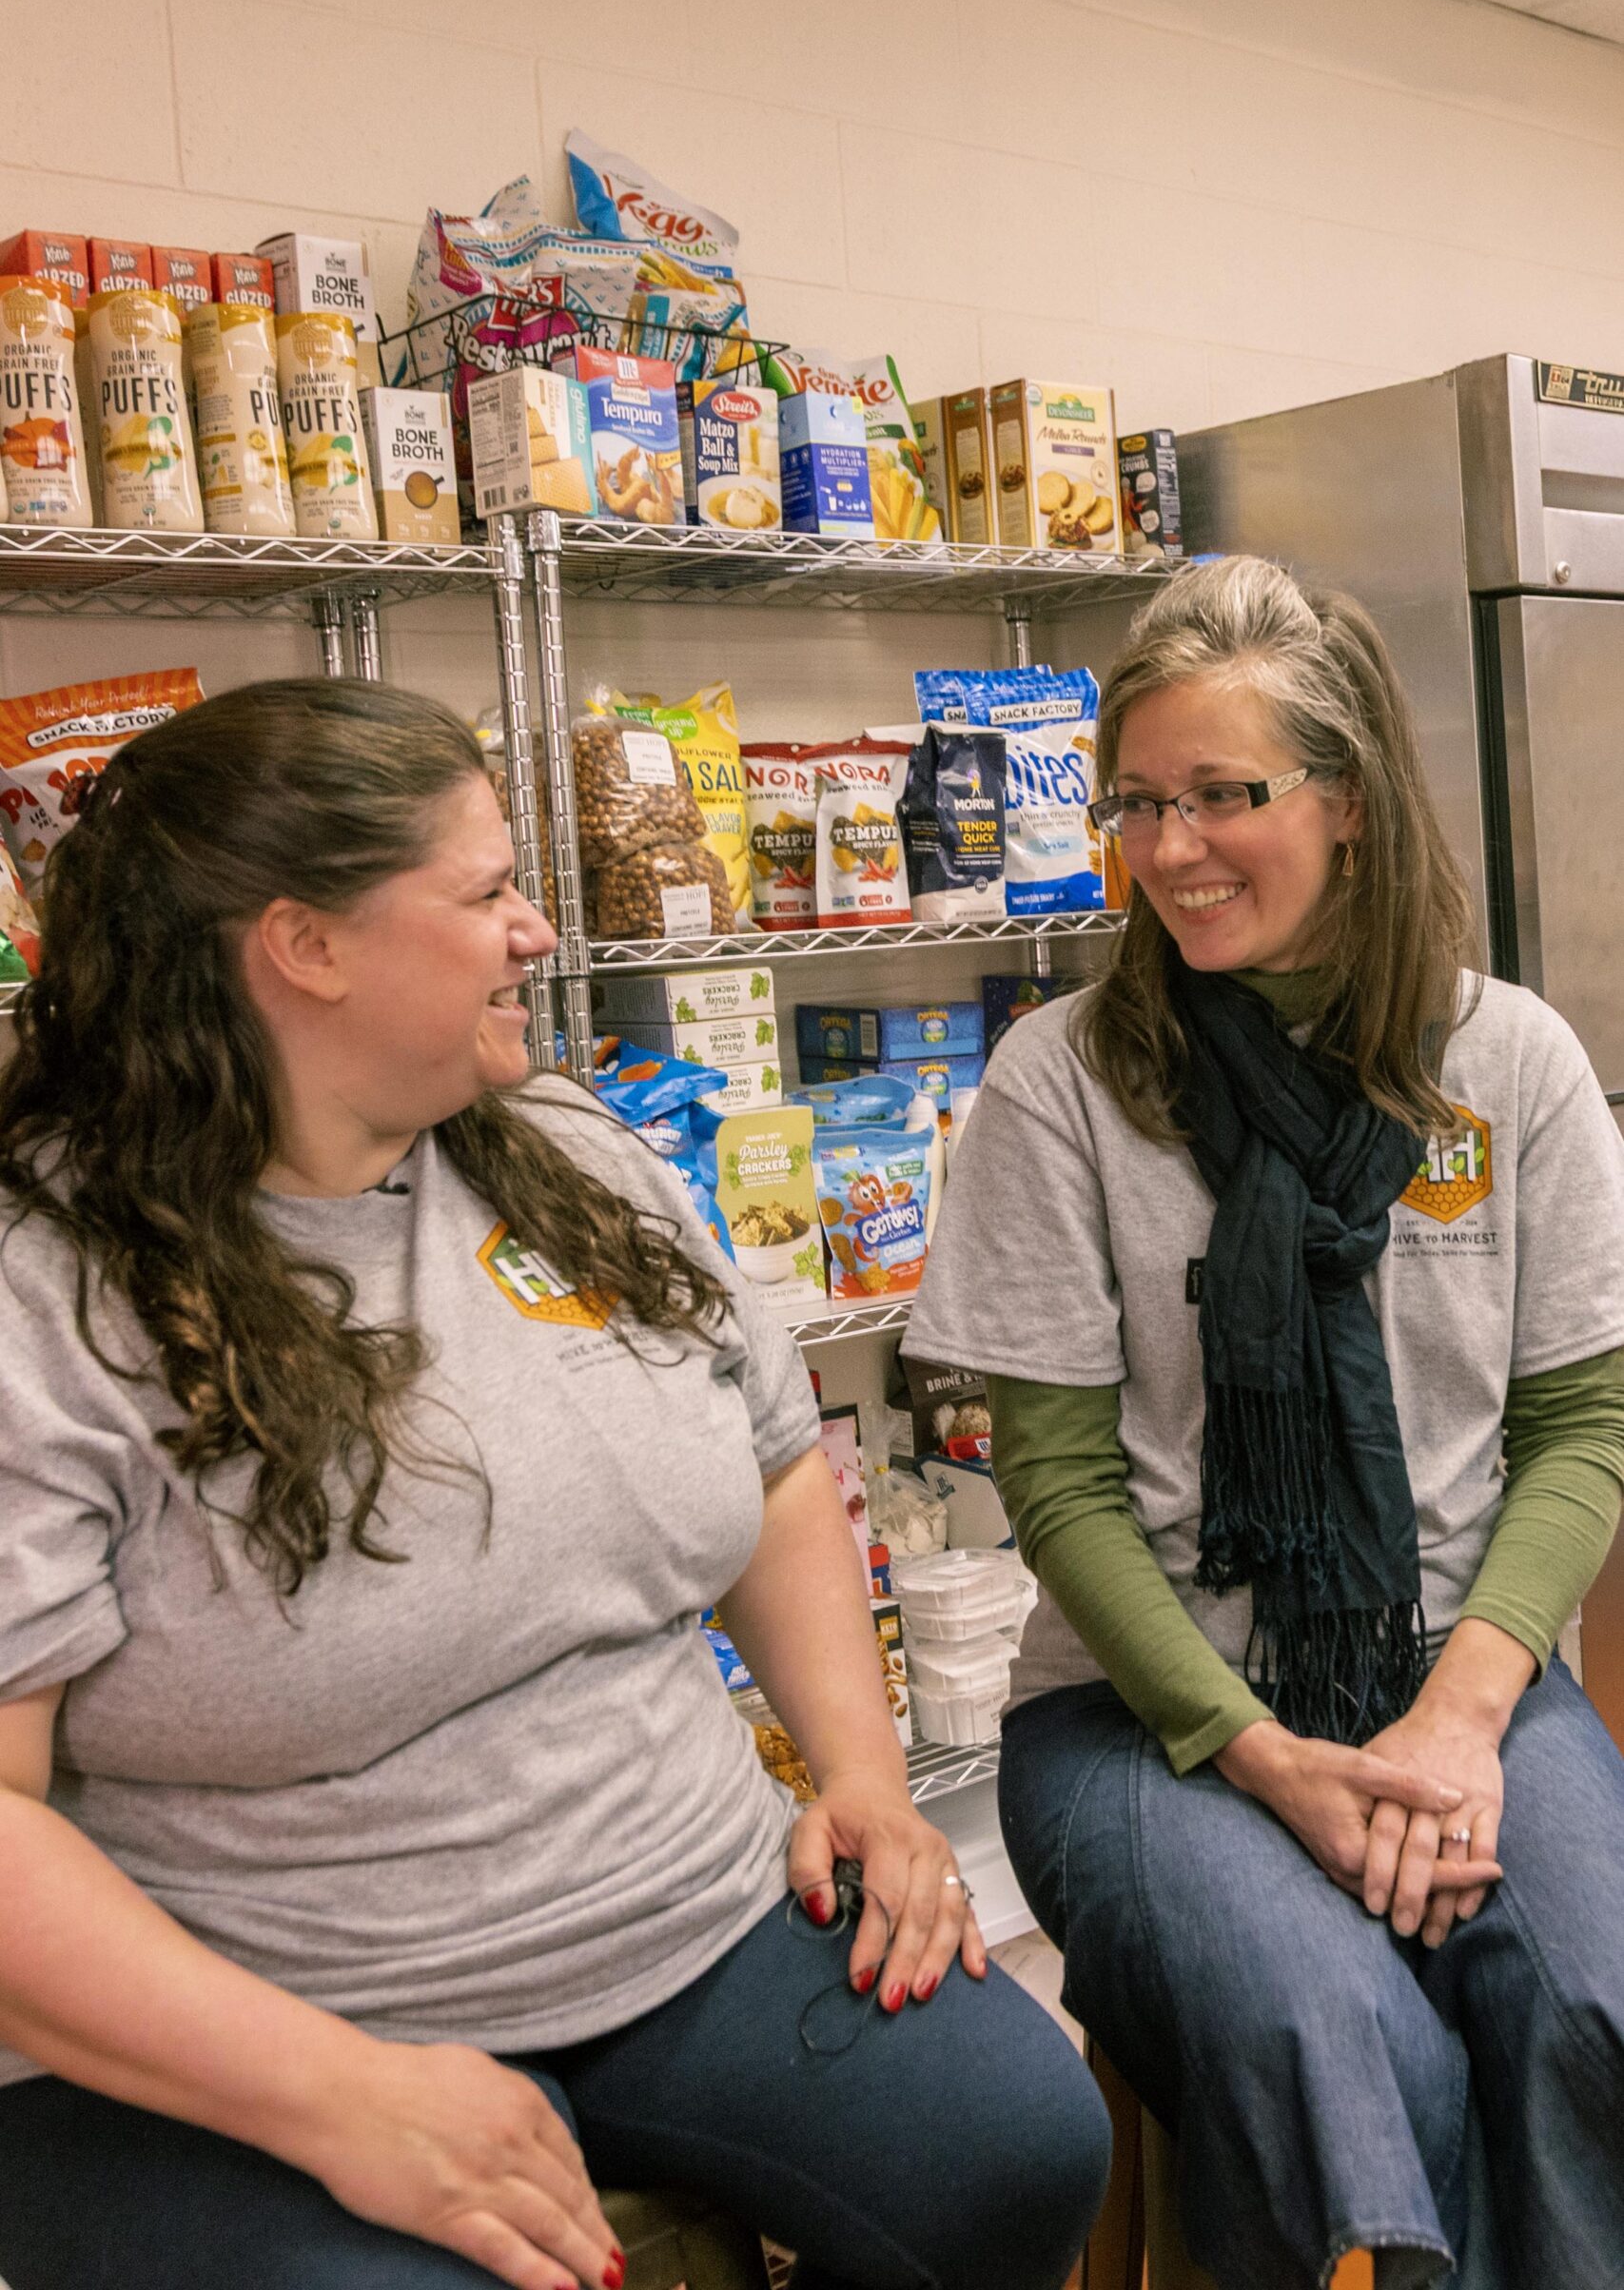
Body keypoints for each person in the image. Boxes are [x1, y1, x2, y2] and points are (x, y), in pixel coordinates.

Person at [0, 678, 1109, 2290]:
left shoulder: (564, 1148)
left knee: (1017, 2143)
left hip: (683, 1922)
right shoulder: (50, 1289)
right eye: (484, 892)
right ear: (304, 947)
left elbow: (779, 1471)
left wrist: (860, 1775)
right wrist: (346, 2098)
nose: (536, 931)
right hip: (255, 2022)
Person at [908, 557, 1624, 2290]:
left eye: (1226, 796)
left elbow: (1580, 1425)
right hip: (1144, 1721)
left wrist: (1459, 1722)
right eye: (1138, 800)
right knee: (1345, 2044)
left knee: (1591, 2007)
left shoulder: (1508, 1062)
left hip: (1463, 1680)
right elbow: (1062, 1489)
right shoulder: (1064, 1085)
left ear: (1352, 805)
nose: (1172, 850)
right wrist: (1268, 1760)